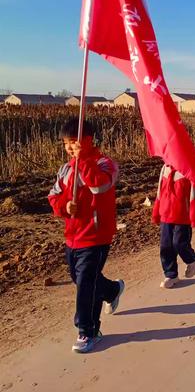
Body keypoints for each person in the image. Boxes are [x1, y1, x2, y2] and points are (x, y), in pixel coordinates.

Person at [48, 119, 124, 354]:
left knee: (85, 284)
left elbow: (99, 187)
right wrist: (64, 206)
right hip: (72, 235)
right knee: (79, 278)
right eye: (66, 144)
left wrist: (83, 162)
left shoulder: (105, 164)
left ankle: (88, 331)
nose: (70, 148)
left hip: (96, 235)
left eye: (74, 142)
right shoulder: (65, 169)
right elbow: (54, 195)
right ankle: (111, 290)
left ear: (88, 140)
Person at [152, 164, 195, 289]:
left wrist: (194, 217)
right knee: (165, 246)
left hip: (182, 217)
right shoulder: (165, 168)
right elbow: (159, 191)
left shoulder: (188, 169)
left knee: (179, 243)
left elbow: (194, 195)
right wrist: (156, 212)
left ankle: (191, 258)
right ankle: (171, 274)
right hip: (165, 215)